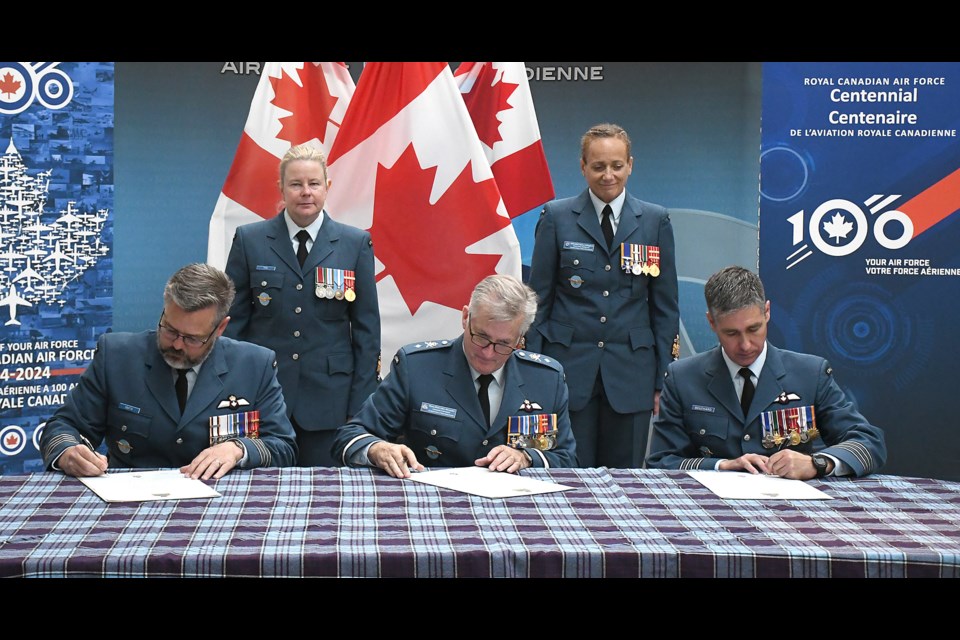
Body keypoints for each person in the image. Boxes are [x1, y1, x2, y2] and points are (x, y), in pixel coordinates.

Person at [40, 263, 298, 479]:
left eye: (192, 338)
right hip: (131, 499)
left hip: (222, 503)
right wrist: (68, 452)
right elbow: (65, 425)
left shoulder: (254, 364)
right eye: (170, 329)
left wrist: (237, 449)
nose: (176, 344)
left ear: (220, 328)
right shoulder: (117, 355)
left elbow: (283, 447)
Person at [526, 123, 679, 468]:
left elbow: (665, 308)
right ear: (582, 166)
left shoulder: (655, 221)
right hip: (567, 371)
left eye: (617, 165)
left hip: (632, 375)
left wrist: (662, 380)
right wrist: (533, 371)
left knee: (627, 481)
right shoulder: (557, 217)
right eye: (598, 166)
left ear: (630, 165)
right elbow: (537, 303)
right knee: (568, 475)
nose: (608, 175)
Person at [647, 266, 886, 478]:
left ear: (767, 312)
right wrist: (721, 465)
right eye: (731, 333)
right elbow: (661, 461)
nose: (745, 345)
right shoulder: (683, 377)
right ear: (712, 323)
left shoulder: (810, 374)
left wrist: (817, 464)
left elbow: (869, 443)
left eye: (754, 329)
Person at [224, 143, 380, 467]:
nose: (305, 192)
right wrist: (233, 393)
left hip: (329, 402)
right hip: (262, 397)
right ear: (281, 188)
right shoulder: (250, 240)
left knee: (326, 498)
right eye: (296, 184)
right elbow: (232, 328)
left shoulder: (355, 244)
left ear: (328, 187)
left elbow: (367, 334)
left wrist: (361, 407)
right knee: (260, 497)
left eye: (314, 184)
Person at [332, 274, 577, 478]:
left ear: (520, 340)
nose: (488, 353)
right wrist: (377, 449)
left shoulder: (546, 379)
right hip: (433, 503)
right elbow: (350, 436)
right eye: (480, 337)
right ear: (465, 317)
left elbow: (566, 459)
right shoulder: (417, 367)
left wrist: (526, 457)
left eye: (504, 344)